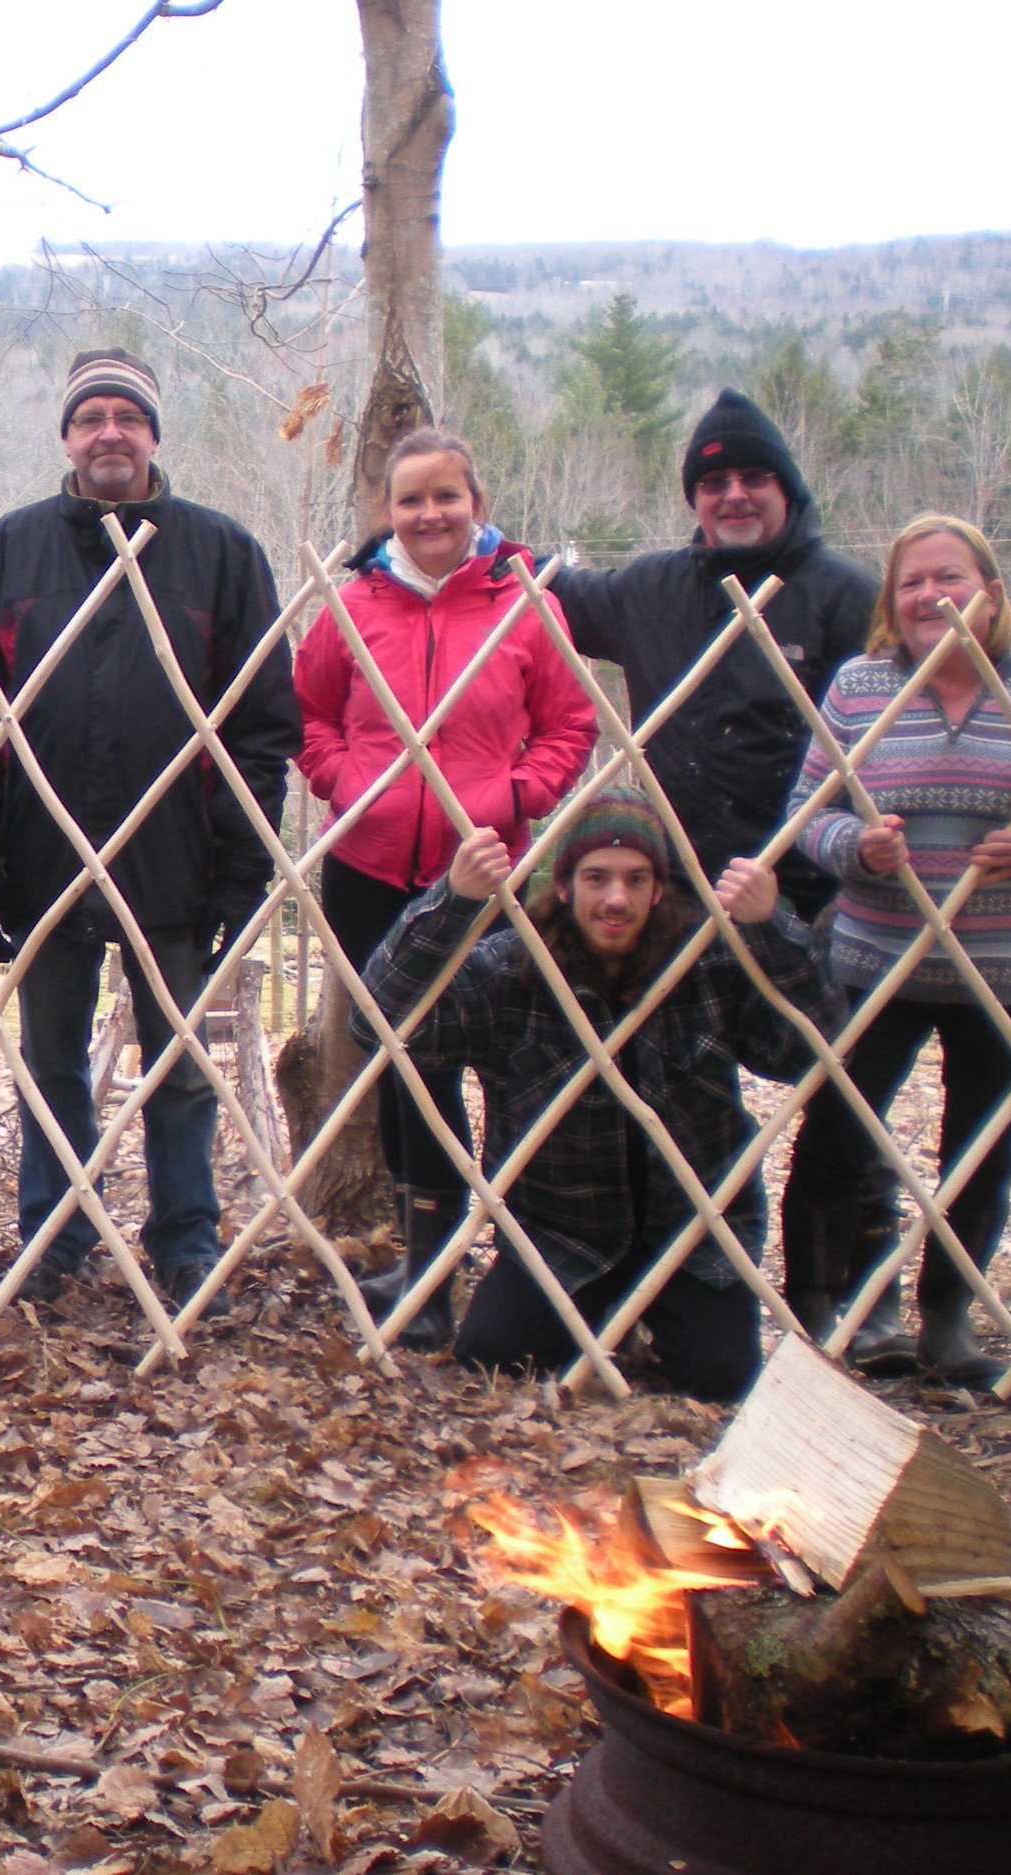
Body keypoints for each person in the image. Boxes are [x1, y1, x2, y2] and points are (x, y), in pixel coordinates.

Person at [0, 347, 299, 1309]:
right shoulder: (9, 550)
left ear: (154, 433)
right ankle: (56, 1239)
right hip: (40, 860)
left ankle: (186, 1240)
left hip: (176, 860)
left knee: (179, 1065)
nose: (110, 432)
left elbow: (259, 723)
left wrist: (241, 863)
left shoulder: (220, 554)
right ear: (66, 435)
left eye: (128, 417)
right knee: (51, 1059)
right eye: (91, 416)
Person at [784, 515, 1011, 1389]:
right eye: (910, 582)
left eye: (948, 576)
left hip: (1006, 971)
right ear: (890, 601)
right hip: (877, 961)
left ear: (990, 592)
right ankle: (820, 1310)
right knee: (836, 1135)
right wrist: (856, 848)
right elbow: (809, 809)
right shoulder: (862, 688)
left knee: (981, 1147)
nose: (928, 596)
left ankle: (947, 1319)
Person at [361, 792, 843, 1402]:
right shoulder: (516, 971)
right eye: (597, 878)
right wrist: (452, 902)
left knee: (720, 1378)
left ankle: (659, 1317)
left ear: (659, 889)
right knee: (496, 1355)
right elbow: (378, 1022)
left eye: (635, 879)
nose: (616, 899)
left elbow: (812, 1050)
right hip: (562, 1237)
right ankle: (593, 1314)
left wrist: (773, 929)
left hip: (690, 1234)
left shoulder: (706, 959)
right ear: (563, 887)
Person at [295, 426, 596, 1348]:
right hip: (372, 868)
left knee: (496, 1056)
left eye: (445, 497)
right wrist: (350, 787)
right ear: (387, 512)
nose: (429, 514)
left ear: (476, 502)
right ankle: (426, 1265)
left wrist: (514, 795)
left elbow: (570, 721)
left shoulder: (521, 604)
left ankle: (512, 1256)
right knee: (398, 1067)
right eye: (411, 499)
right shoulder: (353, 604)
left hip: (486, 869)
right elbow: (308, 714)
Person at [552, 389, 876, 917]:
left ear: (787, 491)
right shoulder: (652, 589)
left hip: (807, 897)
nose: (734, 495)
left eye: (754, 478)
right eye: (714, 483)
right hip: (677, 894)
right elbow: (548, 589)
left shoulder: (846, 596)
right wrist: (468, 543)